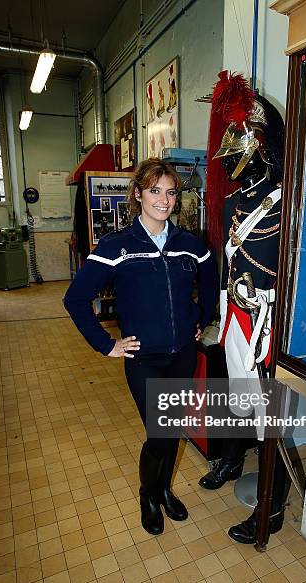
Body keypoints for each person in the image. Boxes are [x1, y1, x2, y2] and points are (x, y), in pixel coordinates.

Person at [64, 158, 219, 535]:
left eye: (170, 192)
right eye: (154, 191)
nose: (163, 200)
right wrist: (107, 345)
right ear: (138, 194)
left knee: (173, 427)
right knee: (160, 432)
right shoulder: (117, 246)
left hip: (182, 353)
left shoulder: (189, 244)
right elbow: (75, 299)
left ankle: (163, 489)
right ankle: (149, 495)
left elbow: (212, 284)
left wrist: (198, 319)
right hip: (143, 358)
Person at [202, 74, 291, 544]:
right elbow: (227, 263)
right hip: (236, 315)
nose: (230, 157)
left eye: (237, 145)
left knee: (266, 412)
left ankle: (272, 505)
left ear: (259, 146)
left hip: (267, 322)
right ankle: (233, 458)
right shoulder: (237, 201)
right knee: (237, 401)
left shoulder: (284, 203)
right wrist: (220, 311)